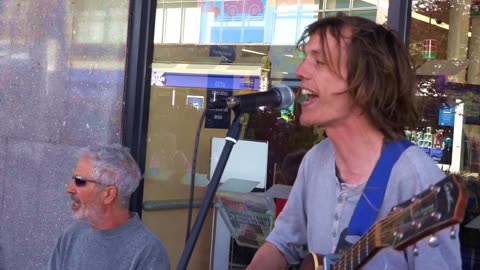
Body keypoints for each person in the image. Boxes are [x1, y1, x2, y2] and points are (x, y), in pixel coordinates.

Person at [247, 14, 461, 269]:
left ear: (366, 83)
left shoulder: (417, 178)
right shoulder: (316, 160)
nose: (301, 71)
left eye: (319, 61)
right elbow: (282, 244)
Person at [48, 144, 170, 270]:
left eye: (80, 181)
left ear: (108, 194)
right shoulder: (72, 235)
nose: (69, 189)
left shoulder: (147, 251)